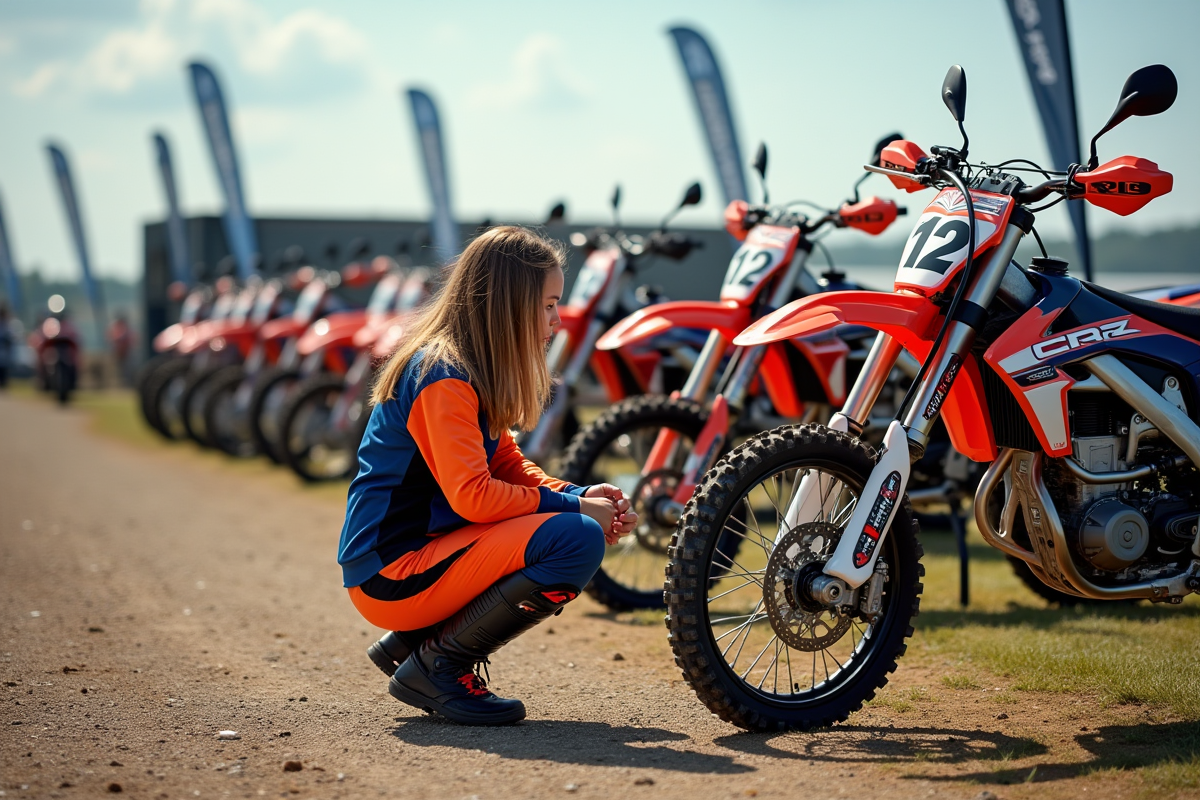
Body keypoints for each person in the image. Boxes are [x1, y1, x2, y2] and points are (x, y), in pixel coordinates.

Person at [338, 226, 637, 726]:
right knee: (575, 540)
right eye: (546, 305)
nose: (557, 321)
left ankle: (413, 644)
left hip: (419, 564)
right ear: (507, 304)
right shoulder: (443, 375)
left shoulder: (467, 369)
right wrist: (579, 510)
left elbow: (510, 472)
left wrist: (580, 493)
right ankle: (437, 665)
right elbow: (475, 497)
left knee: (572, 525)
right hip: (390, 576)